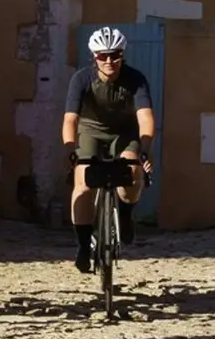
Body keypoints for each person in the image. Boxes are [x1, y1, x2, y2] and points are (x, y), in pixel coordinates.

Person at [61, 26, 156, 273]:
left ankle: (125, 213)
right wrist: (71, 150)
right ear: (95, 57)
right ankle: (83, 245)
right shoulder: (81, 79)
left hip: (125, 132)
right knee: (83, 182)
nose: (109, 61)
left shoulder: (136, 80)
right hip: (90, 131)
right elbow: (70, 119)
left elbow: (145, 118)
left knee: (132, 172)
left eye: (115, 55)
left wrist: (144, 149)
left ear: (123, 54)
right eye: (103, 56)